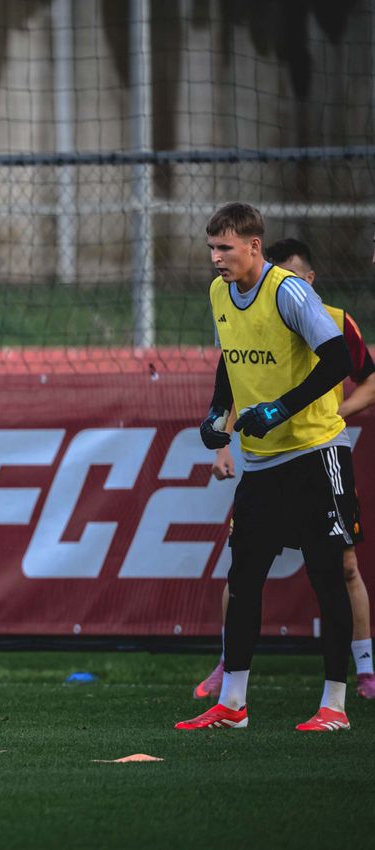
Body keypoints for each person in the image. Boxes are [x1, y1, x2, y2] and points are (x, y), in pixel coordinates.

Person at [177, 204, 357, 732]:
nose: (216, 259)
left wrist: (282, 408)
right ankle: (233, 704)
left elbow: (339, 359)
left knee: (329, 576)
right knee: (245, 577)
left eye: (225, 249)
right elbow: (230, 362)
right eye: (211, 249)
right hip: (262, 463)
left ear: (254, 246)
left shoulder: (290, 292)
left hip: (315, 452)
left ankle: (335, 706)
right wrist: (217, 415)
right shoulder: (218, 294)